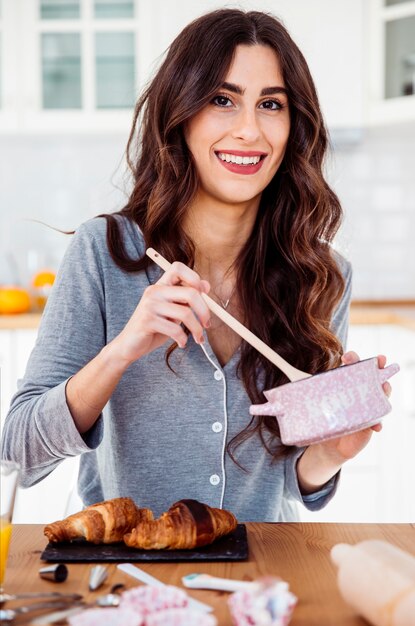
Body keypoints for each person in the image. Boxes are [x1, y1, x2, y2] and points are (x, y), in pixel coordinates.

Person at [1, 9, 391, 522]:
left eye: (270, 104)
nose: (249, 130)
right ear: (180, 114)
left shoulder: (320, 274)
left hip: (262, 576)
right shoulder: (104, 252)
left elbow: (291, 481)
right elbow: (18, 451)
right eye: (222, 100)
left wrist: (332, 452)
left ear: (294, 126)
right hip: (127, 576)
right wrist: (122, 351)